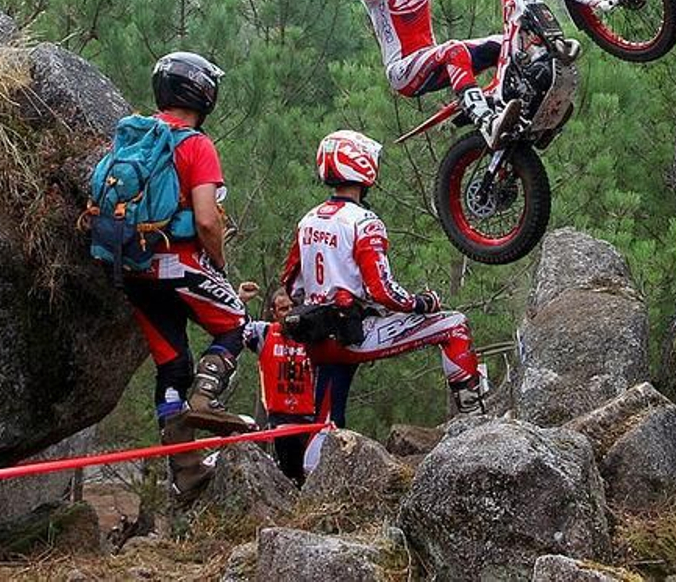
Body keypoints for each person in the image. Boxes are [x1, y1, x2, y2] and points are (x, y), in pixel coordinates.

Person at [281, 129, 487, 431]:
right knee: (454, 325)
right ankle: (474, 419)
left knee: (326, 420)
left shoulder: (308, 220)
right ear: (362, 166)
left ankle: (317, 472)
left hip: (317, 334)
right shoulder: (364, 222)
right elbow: (383, 291)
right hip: (355, 333)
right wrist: (420, 302)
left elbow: (291, 283)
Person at [116, 51, 250, 499]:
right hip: (181, 262)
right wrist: (220, 267)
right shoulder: (195, 144)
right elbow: (209, 220)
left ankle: (187, 470)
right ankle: (205, 399)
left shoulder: (134, 138)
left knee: (171, 365)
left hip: (133, 269)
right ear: (202, 93)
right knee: (234, 325)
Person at [355, 0, 536, 146]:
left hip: (435, 63)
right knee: (453, 49)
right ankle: (484, 119)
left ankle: (524, 105)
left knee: (506, 44)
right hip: (403, 70)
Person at [239, 283, 316, 484]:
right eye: (283, 309)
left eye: (292, 307)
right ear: (274, 313)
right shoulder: (264, 333)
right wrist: (241, 301)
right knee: (288, 477)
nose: (289, 313)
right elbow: (235, 328)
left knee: (309, 476)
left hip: (309, 418)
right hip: (279, 418)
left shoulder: (312, 335)